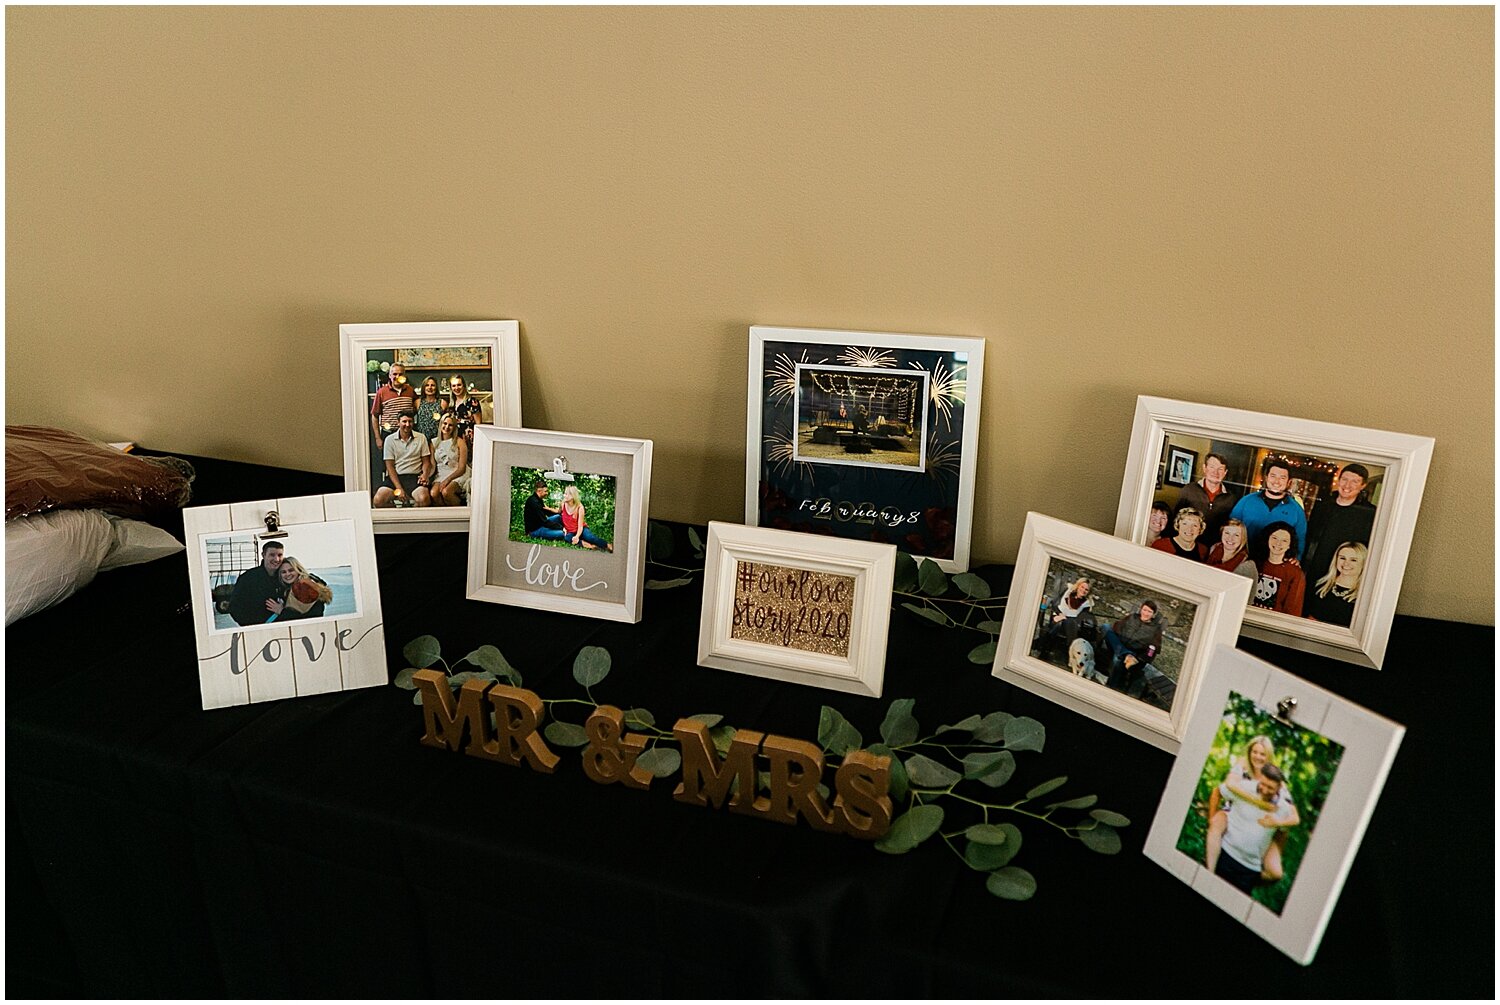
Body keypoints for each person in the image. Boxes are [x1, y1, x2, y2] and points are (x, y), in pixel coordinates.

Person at [1205, 735, 1300, 882]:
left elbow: (1292, 817)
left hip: (1258, 825)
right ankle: (1209, 871)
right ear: (1249, 752)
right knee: (1216, 824)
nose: (1257, 757)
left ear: (1269, 756)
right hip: (1232, 811)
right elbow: (1227, 786)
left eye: (1262, 754)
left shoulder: (1275, 779)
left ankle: (1250, 878)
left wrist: (1276, 824)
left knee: (1275, 873)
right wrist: (1258, 803)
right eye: (1254, 752)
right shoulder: (1243, 766)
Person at [1303, 463, 1375, 588]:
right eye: (1345, 479)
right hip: (1314, 568)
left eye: (1355, 482)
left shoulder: (1369, 513)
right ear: (1339, 480)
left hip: (1344, 573)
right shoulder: (1322, 505)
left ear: (1363, 485)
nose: (1347, 485)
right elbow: (1309, 536)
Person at [1228, 457, 1308, 560]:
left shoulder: (1297, 511)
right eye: (1273, 476)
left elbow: (1300, 541)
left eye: (1282, 478)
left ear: (1289, 482)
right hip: (1241, 559)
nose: (1277, 481)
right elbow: (1230, 527)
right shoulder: (1246, 501)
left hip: (1273, 566)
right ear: (1266, 478)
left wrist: (1296, 559)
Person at [373, 410, 433, 507]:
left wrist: (425, 475)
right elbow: (390, 467)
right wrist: (399, 488)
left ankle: (412, 518)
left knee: (424, 499)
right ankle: (396, 517)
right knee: (378, 500)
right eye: (404, 421)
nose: (407, 424)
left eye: (410, 421)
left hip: (414, 477)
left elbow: (426, 462)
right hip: (396, 478)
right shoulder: (389, 440)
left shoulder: (421, 438)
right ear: (398, 422)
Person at [1104, 600, 1164, 693]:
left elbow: (1153, 649)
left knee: (1117, 659)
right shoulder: (1132, 617)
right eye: (1144, 610)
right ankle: (1126, 654)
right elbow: (1116, 627)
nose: (1146, 613)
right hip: (1119, 645)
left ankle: (1111, 688)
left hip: (1135, 654)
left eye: (1149, 612)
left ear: (1153, 614)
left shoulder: (1155, 629)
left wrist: (1142, 659)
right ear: (1141, 610)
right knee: (1106, 628)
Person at [1176, 452, 1238, 541]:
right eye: (1212, 467)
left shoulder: (1231, 498)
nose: (1215, 472)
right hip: (1188, 543)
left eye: (1220, 469)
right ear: (1205, 468)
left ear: (1225, 472)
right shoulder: (1188, 490)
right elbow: (1176, 519)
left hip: (1215, 546)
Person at [1304, 542, 1367, 627]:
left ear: (1363, 563)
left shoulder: (1365, 595)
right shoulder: (1320, 584)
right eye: (1342, 558)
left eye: (1353, 560)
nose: (1346, 563)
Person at [227, 540, 287, 626]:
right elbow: (234, 608)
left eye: (279, 555)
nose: (276, 559)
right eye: (272, 555)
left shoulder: (285, 577)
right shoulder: (248, 578)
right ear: (263, 555)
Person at [1252, 522, 1305, 616]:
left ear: (1290, 545)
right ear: (1267, 538)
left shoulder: (1296, 573)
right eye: (1274, 538)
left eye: (1284, 540)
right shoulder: (1253, 564)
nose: (1278, 543)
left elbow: (1293, 610)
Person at [1037, 577, 1097, 654]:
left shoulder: (1087, 604)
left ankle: (1046, 647)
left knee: (1064, 623)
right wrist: (1059, 614)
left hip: (1070, 624)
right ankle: (1046, 648)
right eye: (1082, 587)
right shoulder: (1067, 591)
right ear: (1078, 586)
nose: (1083, 590)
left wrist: (1064, 618)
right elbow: (1054, 604)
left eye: (1086, 589)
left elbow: (1079, 618)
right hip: (1057, 616)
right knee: (1058, 623)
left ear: (1088, 592)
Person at [369, 362, 417, 454]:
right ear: (390, 375)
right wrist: (378, 438)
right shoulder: (381, 392)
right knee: (388, 465)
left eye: (400, 374)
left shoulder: (410, 390)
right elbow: (374, 416)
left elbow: (415, 409)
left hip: (407, 434)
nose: (397, 376)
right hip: (388, 434)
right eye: (395, 374)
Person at [268, 557, 333, 622]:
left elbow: (305, 618)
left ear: (298, 570)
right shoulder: (291, 588)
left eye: (291, 570)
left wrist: (281, 611)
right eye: (283, 572)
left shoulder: (306, 588)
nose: (287, 574)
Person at [558, 484, 613, 552]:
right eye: (564, 493)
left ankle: (607, 545)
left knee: (590, 537)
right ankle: (589, 546)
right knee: (567, 538)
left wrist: (577, 536)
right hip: (570, 531)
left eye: (566, 494)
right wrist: (563, 528)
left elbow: (580, 526)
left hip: (581, 529)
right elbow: (559, 515)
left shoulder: (580, 507)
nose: (564, 496)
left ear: (572, 496)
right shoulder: (563, 504)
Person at [431, 413, 470, 507]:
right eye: (445, 423)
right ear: (440, 424)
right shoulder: (434, 443)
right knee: (434, 493)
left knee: (446, 492)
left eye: (450, 425)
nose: (447, 427)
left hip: (457, 473)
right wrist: (425, 476)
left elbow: (461, 468)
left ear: (454, 428)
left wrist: (447, 480)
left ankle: (460, 514)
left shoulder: (460, 442)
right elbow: (432, 466)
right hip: (441, 474)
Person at [448, 375, 483, 448]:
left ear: (464, 386)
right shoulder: (451, 403)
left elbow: (478, 424)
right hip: (454, 438)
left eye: (459, 385)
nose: (456, 388)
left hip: (469, 439)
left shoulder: (472, 401)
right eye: (454, 386)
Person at [414, 376, 446, 443]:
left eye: (433, 385)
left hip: (437, 439)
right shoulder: (418, 402)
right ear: (423, 387)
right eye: (427, 385)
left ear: (436, 387)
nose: (430, 387)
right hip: (421, 439)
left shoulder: (442, 403)